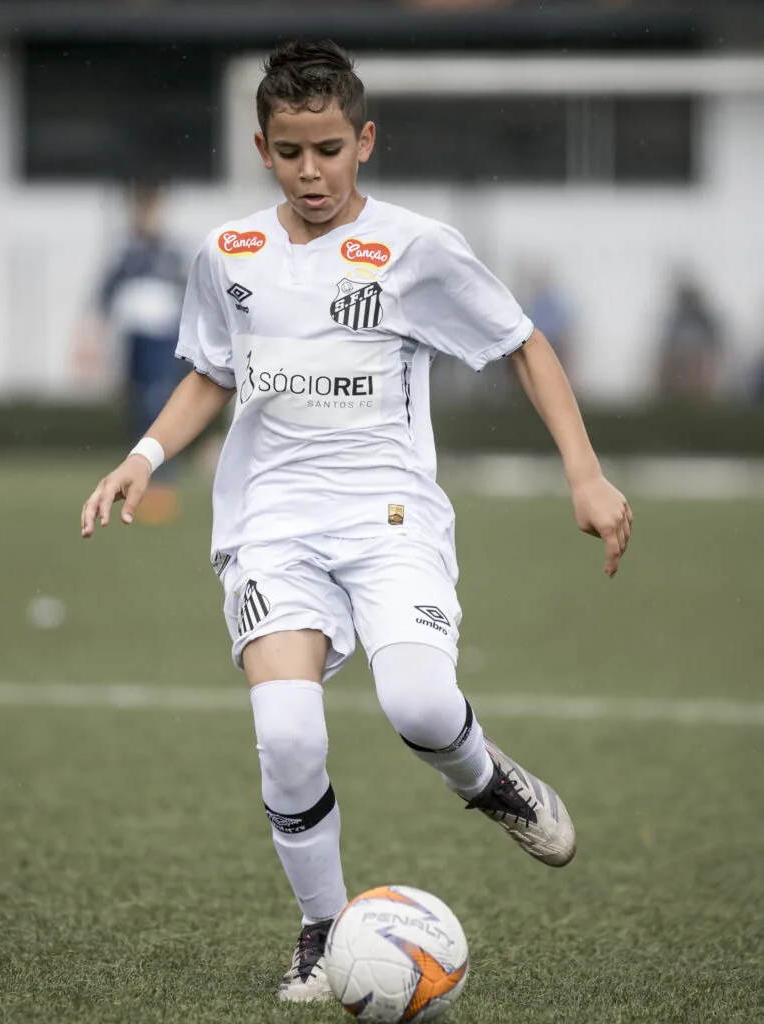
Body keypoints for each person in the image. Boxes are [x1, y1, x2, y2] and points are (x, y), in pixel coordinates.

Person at [80, 40, 633, 1003]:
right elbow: (212, 371)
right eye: (291, 153)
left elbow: (523, 344)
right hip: (270, 524)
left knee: (418, 705)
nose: (311, 172)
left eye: (329, 150)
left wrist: (584, 476)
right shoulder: (227, 253)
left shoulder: (417, 248)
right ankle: (322, 929)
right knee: (288, 734)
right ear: (262, 149)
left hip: (390, 519)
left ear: (364, 142)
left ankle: (484, 778)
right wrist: (143, 455)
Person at [74, 183, 188, 524]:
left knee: (157, 403)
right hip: (135, 340)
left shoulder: (172, 253)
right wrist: (91, 343)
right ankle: (140, 475)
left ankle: (162, 482)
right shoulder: (125, 254)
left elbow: (190, 300)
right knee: (139, 404)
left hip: (164, 341)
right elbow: (103, 300)